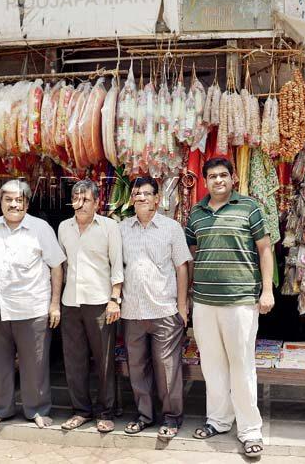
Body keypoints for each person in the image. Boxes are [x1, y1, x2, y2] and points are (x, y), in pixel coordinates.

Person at [185, 157, 275, 458]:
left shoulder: (248, 207)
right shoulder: (195, 213)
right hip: (204, 302)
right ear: (205, 181)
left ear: (233, 178)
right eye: (212, 176)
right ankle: (219, 420)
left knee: (242, 365)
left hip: (240, 302)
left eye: (223, 175)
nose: (218, 181)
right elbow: (194, 251)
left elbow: (265, 249)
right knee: (212, 365)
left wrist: (267, 290)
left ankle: (250, 430)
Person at [0, 179, 66, 432]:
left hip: (31, 309)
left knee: (35, 364)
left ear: (27, 203)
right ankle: (0, 409)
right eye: (8, 199)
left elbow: (56, 266)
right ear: (1, 202)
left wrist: (54, 304)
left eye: (19, 199)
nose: (13, 204)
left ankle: (37, 410)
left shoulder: (41, 229)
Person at [119, 176, 193, 441]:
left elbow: (182, 266)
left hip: (164, 310)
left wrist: (182, 306)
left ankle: (172, 418)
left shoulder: (171, 228)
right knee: (137, 367)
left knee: (167, 367)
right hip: (132, 311)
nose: (141, 198)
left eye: (146, 193)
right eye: (136, 193)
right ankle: (144, 416)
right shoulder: (122, 229)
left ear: (157, 199)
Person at [57, 179, 124, 433]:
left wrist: (114, 299)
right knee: (74, 360)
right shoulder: (64, 227)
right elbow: (61, 268)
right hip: (71, 302)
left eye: (86, 199)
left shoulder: (109, 227)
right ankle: (81, 411)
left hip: (100, 302)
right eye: (76, 198)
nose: (80, 203)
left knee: (104, 360)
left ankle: (105, 412)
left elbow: (117, 263)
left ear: (97, 202)